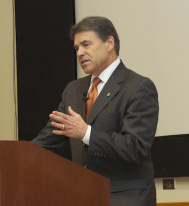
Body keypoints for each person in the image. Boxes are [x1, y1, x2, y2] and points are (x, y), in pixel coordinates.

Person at [31, 16, 159, 206]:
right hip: (81, 196)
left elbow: (135, 147)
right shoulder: (73, 90)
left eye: (86, 45)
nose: (80, 53)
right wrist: (13, 155)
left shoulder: (138, 87)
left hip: (124, 199)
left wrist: (86, 133)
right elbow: (47, 140)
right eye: (76, 48)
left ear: (109, 43)